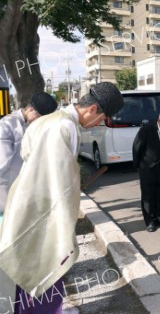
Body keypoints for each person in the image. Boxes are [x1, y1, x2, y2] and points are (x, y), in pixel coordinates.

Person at [0, 82, 123, 310]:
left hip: (23, 205)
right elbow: (60, 183)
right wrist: (66, 226)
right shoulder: (65, 126)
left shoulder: (47, 121)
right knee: (43, 280)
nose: (100, 124)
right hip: (42, 215)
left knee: (25, 280)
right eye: (102, 118)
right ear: (93, 109)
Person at [0, 92, 57, 314]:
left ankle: (18, 303)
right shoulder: (6, 126)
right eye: (40, 117)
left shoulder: (28, 126)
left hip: (18, 204)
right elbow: (3, 167)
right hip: (4, 203)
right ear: (31, 110)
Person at [133, 110, 160, 232]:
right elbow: (137, 148)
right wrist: (138, 165)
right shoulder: (146, 129)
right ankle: (150, 221)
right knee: (148, 195)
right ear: (159, 120)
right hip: (148, 167)